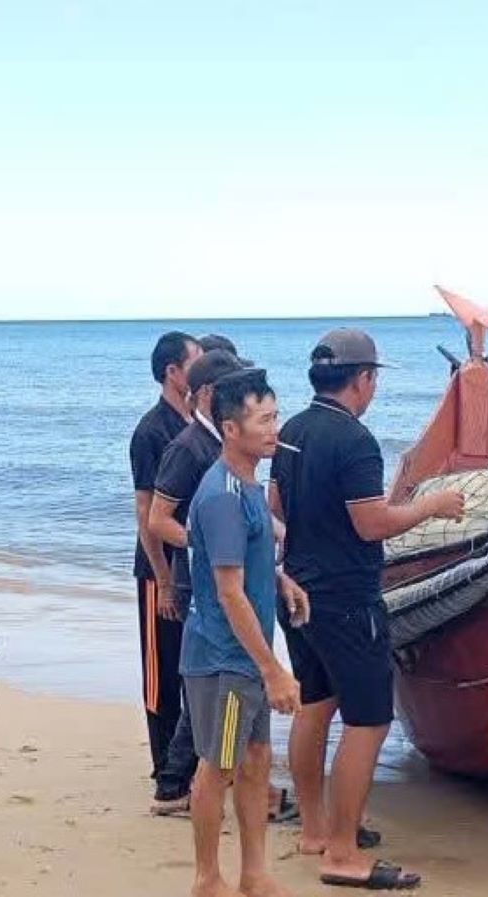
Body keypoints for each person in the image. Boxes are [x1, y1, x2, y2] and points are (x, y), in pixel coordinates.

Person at [270, 328, 464, 891]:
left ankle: (314, 829)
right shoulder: (354, 440)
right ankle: (342, 851)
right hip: (347, 599)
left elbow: (276, 505)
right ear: (364, 380)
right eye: (374, 379)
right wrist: (433, 505)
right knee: (368, 720)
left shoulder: (291, 432)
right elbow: (371, 523)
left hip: (297, 588)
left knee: (315, 703)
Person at [183, 368, 308, 897]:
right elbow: (228, 593)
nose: (273, 429)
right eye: (263, 420)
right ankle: (208, 879)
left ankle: (254, 873)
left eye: (275, 416)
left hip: (245, 654)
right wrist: (272, 669)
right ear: (230, 429)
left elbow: (244, 562)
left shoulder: (250, 484)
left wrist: (279, 578)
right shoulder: (222, 496)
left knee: (256, 762)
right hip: (225, 659)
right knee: (220, 766)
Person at [146, 349, 245, 814]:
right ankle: (175, 783)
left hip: (225, 577)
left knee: (222, 681)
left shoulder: (223, 444)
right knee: (215, 681)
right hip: (200, 582)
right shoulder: (188, 447)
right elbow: (156, 519)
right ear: (207, 394)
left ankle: (189, 779)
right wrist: (207, 548)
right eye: (234, 392)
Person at [130, 331, 203, 781]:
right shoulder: (151, 431)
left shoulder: (196, 425)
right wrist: (163, 579)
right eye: (194, 361)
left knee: (191, 667)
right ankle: (165, 770)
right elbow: (146, 511)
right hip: (160, 568)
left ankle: (192, 762)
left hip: (192, 567)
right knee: (161, 674)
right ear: (173, 372)